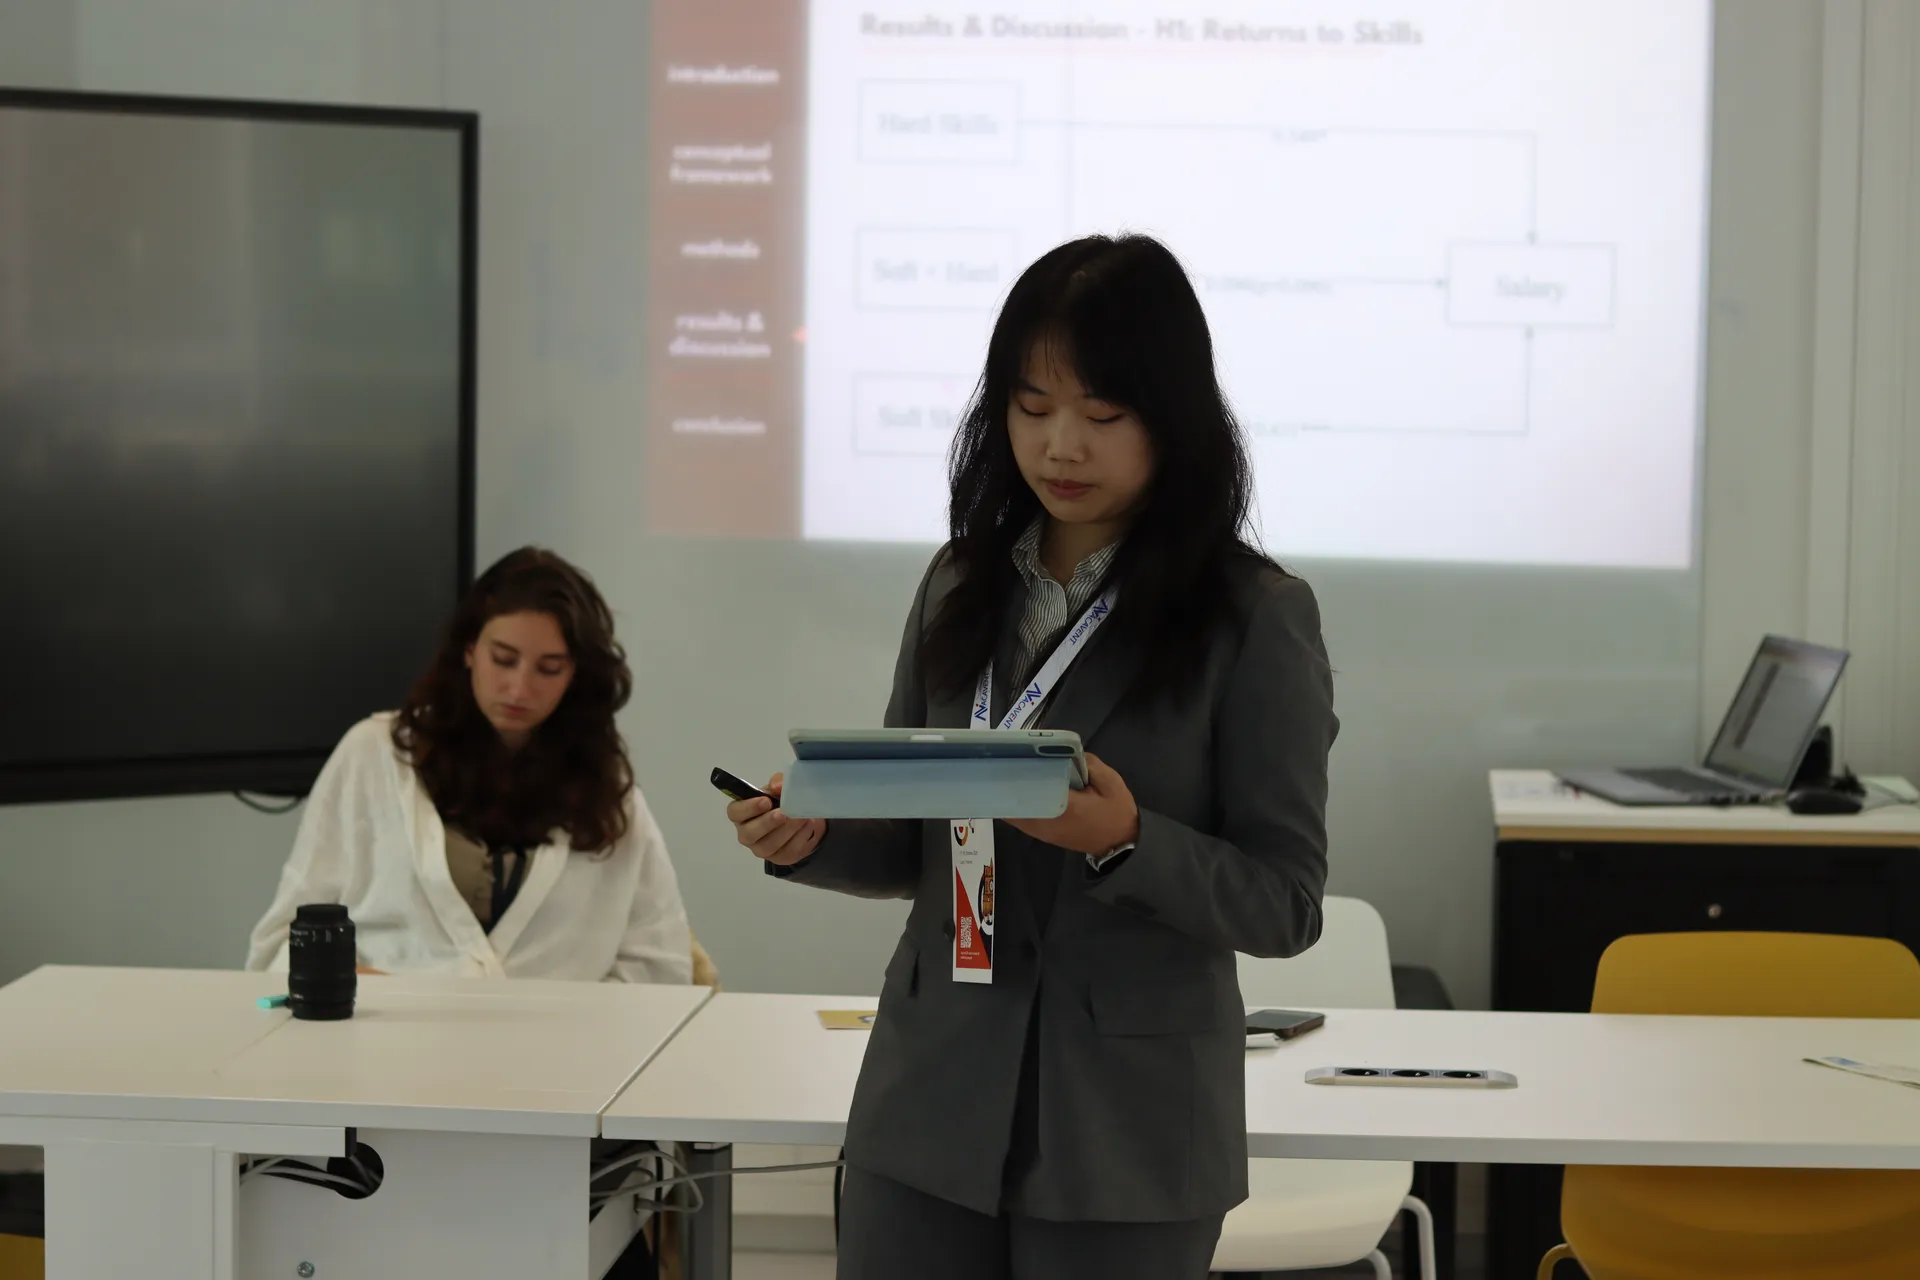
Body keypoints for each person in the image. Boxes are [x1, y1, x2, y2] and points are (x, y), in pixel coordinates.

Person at [726, 234, 1337, 1279]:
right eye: (1031, 405)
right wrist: (809, 835)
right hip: (928, 1104)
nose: (1061, 445)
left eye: (1102, 414)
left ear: (1173, 418)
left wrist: (1126, 838)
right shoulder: (960, 583)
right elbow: (912, 840)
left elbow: (1285, 902)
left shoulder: (1253, 616)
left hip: (1125, 1131)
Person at [248, 547, 702, 984]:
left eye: (549, 669)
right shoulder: (374, 755)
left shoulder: (605, 786)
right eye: (503, 659)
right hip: (388, 1032)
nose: (519, 689)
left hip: (563, 1039)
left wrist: (558, 1023)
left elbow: (662, 969)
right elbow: (282, 948)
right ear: (469, 649)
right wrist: (377, 994)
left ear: (576, 674)